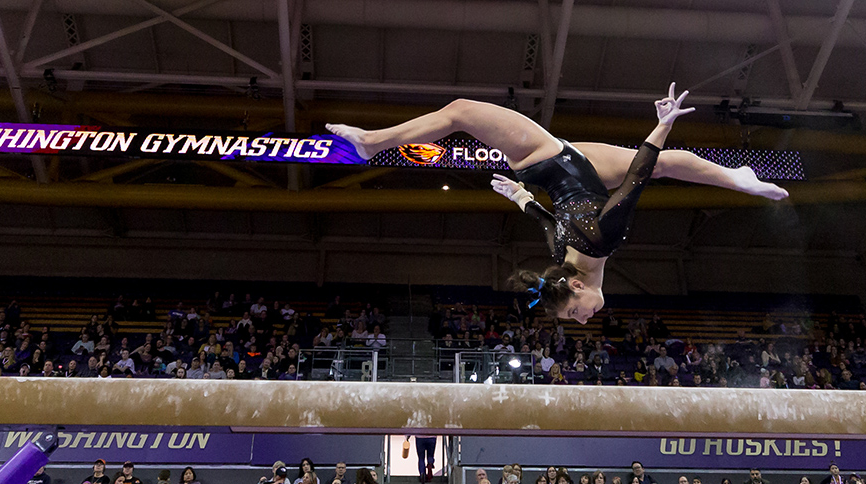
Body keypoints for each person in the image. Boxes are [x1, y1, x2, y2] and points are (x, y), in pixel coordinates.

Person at [327, 84, 788, 324]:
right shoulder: (591, 245)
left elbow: (553, 226)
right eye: (575, 314)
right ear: (577, 285)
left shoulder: (581, 257)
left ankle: (372, 143)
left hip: (543, 158)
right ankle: (738, 180)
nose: (583, 317)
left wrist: (525, 197)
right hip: (576, 164)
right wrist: (663, 123)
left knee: (461, 111)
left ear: (576, 285)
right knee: (667, 162)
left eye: (573, 314)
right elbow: (635, 179)